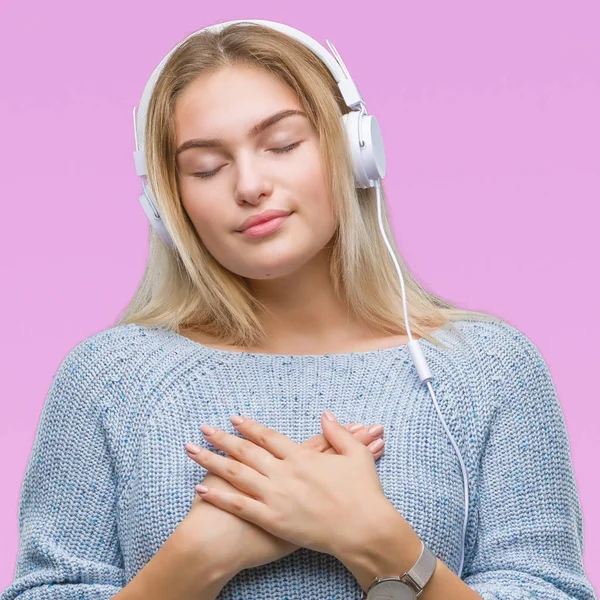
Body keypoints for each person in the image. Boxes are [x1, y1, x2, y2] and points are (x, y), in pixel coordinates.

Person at [2, 21, 596, 600]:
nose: (250, 184)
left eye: (282, 144)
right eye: (206, 167)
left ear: (355, 149)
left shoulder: (487, 369)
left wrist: (375, 541)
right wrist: (197, 559)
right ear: (169, 203)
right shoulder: (109, 378)